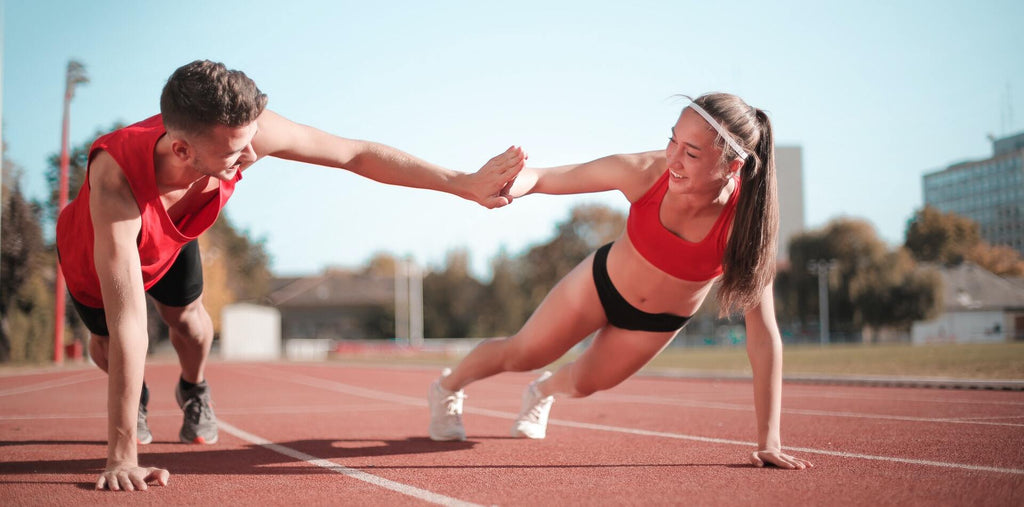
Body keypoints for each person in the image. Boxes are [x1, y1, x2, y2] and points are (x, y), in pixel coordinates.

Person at [55, 59, 525, 492]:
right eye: (235, 154)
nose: (250, 157)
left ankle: (193, 390)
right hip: (97, 250)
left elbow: (355, 154)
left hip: (173, 237)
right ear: (181, 148)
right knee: (112, 345)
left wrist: (461, 183)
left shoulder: (247, 134)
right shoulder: (116, 182)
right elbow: (131, 323)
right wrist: (122, 458)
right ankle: (134, 398)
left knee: (192, 326)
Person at [428, 92, 812, 470]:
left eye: (691, 153)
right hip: (600, 285)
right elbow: (545, 177)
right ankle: (447, 388)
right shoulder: (645, 171)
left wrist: (769, 442)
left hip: (656, 323)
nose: (673, 159)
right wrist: (506, 185)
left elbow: (763, 333)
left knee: (583, 384)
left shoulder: (744, 226)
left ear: (731, 167)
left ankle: (541, 392)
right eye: (672, 140)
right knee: (524, 353)